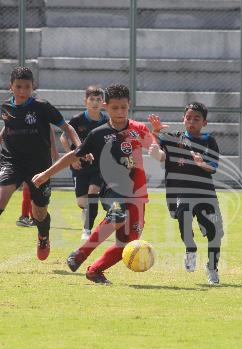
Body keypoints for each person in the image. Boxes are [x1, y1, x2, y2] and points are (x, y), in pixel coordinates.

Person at [32, 84, 157, 284]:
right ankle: (80, 254)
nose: (120, 112)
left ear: (129, 106)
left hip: (138, 194)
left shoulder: (138, 129)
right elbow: (74, 154)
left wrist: (158, 151)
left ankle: (95, 271)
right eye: (115, 108)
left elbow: (154, 148)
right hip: (112, 189)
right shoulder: (98, 133)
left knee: (129, 242)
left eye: (124, 107)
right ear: (106, 107)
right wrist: (47, 174)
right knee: (117, 214)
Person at [0, 66, 81, 262]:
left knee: (39, 212)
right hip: (12, 160)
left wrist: (79, 146)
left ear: (33, 87)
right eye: (18, 86)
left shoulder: (42, 106)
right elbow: (7, 128)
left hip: (39, 165)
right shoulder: (6, 107)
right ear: (11, 87)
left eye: (27, 87)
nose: (22, 91)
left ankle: (43, 237)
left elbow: (67, 127)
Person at [147, 102, 224, 285]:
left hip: (205, 194)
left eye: (196, 119)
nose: (191, 121)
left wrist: (200, 164)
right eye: (188, 118)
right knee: (185, 222)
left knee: (215, 234)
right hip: (181, 193)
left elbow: (212, 168)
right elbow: (157, 149)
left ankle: (212, 269)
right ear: (183, 119)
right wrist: (155, 132)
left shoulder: (209, 141)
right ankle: (190, 249)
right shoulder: (173, 138)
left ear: (204, 122)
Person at [0, 125, 59, 228]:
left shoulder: (42, 116)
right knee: (28, 188)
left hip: (39, 157)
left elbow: (49, 128)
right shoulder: (16, 115)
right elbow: (6, 127)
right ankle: (26, 217)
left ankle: (33, 218)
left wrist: (53, 150)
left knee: (37, 191)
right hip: (21, 157)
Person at [60, 85, 109, 239]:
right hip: (79, 165)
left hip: (98, 166)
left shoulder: (107, 121)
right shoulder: (77, 119)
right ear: (85, 101)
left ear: (103, 103)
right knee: (82, 203)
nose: (95, 102)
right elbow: (63, 137)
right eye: (92, 99)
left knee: (93, 193)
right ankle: (88, 211)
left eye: (98, 99)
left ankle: (87, 231)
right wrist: (71, 157)